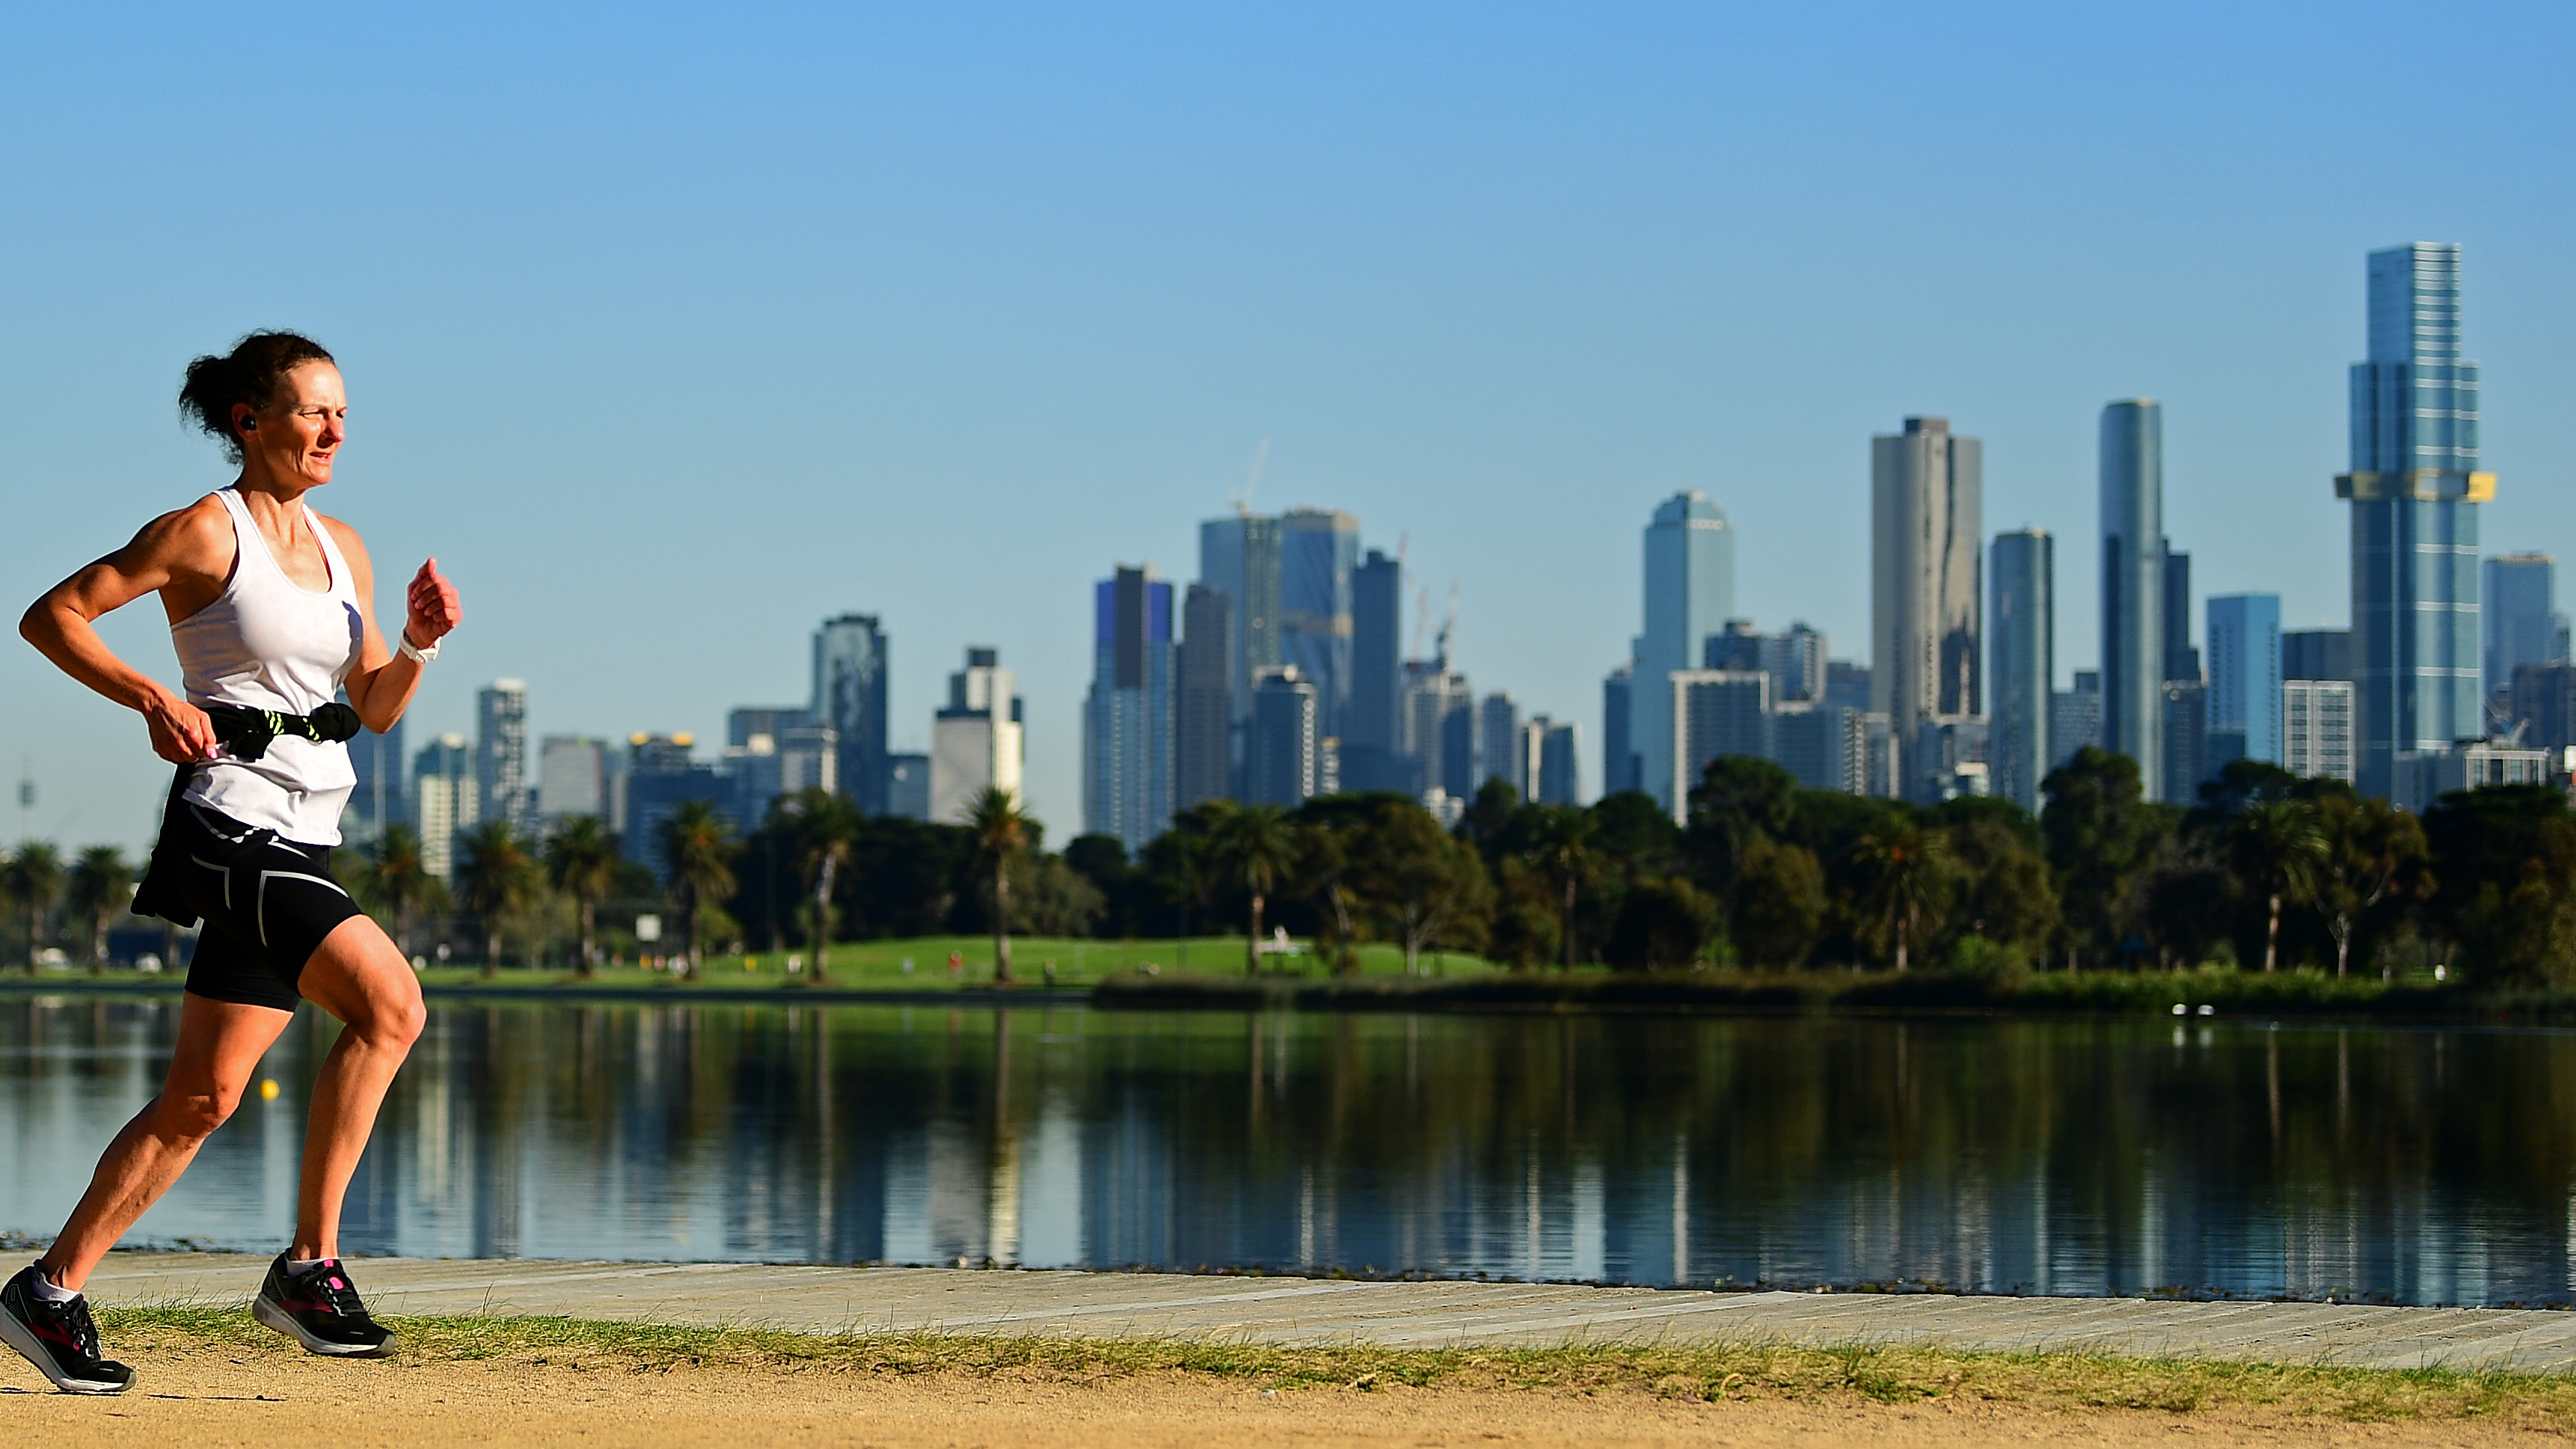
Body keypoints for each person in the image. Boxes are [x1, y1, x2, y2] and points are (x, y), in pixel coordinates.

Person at [1, 333, 461, 1394]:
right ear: (251, 420)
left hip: (306, 833)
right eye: (312, 411)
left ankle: (50, 1289)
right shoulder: (206, 531)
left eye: (343, 412)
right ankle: (311, 1265)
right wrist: (152, 695)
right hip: (227, 827)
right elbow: (51, 615)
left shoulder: (347, 547)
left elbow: (373, 711)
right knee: (393, 1007)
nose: (335, 429)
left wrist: (421, 644)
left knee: (205, 1097)